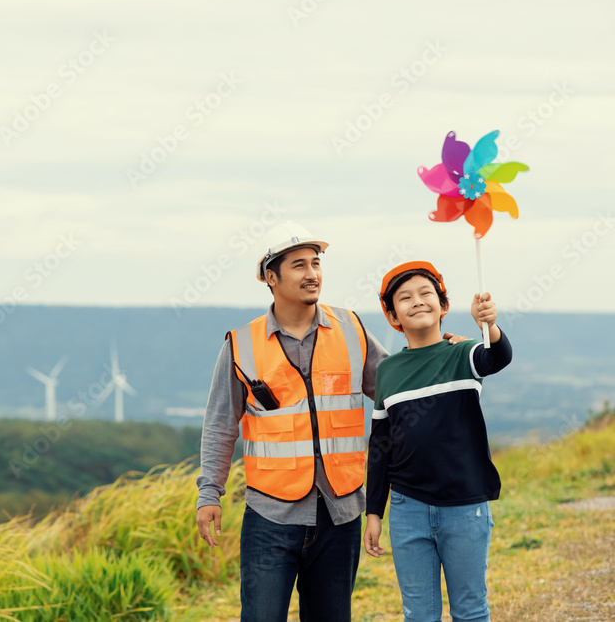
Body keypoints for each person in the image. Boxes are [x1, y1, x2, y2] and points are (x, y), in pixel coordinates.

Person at [195, 221, 392, 622]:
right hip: (271, 516)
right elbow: (220, 426)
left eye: (316, 263)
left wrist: (439, 352)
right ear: (271, 277)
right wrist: (209, 493)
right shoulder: (241, 344)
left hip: (341, 513)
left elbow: (397, 388)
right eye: (299, 265)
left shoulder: (351, 329)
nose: (313, 274)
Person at [363, 261, 512, 622]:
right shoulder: (388, 371)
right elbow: (380, 446)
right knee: (418, 613)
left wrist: (489, 325)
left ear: (443, 305)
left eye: (426, 293)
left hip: (465, 506)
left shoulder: (463, 354)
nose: (417, 301)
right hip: (407, 507)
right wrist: (373, 512)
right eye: (405, 297)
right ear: (393, 315)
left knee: (471, 609)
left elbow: (499, 357)